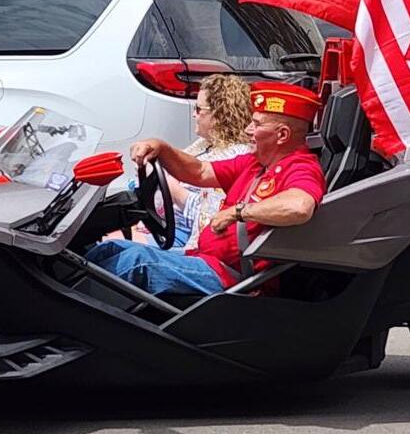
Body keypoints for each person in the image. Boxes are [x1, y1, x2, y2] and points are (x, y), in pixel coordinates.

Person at [86, 81, 326, 295]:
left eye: (256, 124)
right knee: (109, 248)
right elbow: (200, 171)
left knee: (135, 261)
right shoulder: (255, 163)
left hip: (230, 277)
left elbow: (299, 206)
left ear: (282, 135)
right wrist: (160, 147)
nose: (247, 131)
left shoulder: (301, 167)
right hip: (204, 258)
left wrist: (238, 212)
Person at [132, 74, 252, 250]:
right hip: (159, 220)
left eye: (198, 108)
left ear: (219, 114)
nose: (193, 114)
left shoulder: (234, 156)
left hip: (178, 232)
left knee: (106, 246)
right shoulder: (205, 145)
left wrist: (168, 182)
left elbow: (205, 215)